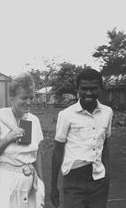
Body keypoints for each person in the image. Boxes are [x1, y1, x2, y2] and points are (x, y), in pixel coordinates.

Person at [50, 68, 113, 208]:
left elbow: (105, 144)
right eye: (84, 89)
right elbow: (58, 150)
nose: (89, 93)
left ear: (100, 88)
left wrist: (106, 175)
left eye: (94, 88)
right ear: (77, 89)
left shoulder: (107, 113)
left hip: (98, 178)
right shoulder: (66, 115)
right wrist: (54, 186)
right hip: (74, 179)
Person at [0, 73, 45, 208]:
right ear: (11, 97)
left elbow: (37, 153)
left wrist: (40, 182)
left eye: (31, 97)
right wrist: (8, 139)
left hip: (29, 179)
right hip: (7, 179)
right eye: (23, 98)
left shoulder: (34, 120)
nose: (28, 102)